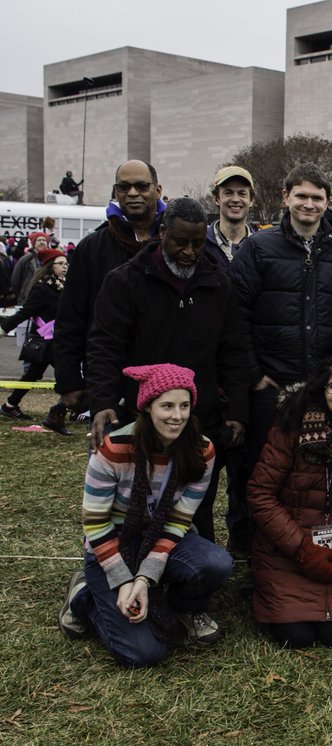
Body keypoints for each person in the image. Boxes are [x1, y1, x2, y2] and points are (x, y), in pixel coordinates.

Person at [85, 198, 248, 543]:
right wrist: (102, 402)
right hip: (138, 415)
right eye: (181, 242)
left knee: (196, 502)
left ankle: (196, 580)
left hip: (197, 418)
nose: (190, 252)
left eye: (198, 243)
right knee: (133, 502)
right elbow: (104, 347)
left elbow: (233, 351)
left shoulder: (219, 285)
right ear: (161, 235)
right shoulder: (124, 281)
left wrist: (237, 410)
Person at [57, 363, 234, 667]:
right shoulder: (113, 449)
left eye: (184, 405)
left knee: (217, 563)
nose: (176, 416)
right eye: (166, 406)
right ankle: (85, 597)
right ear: (147, 407)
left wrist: (144, 577)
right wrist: (123, 580)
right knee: (143, 654)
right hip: (112, 544)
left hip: (162, 537)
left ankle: (183, 607)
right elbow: (96, 523)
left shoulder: (201, 450)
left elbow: (179, 519)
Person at [229, 163, 332, 550]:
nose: (309, 204)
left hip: (318, 386)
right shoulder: (258, 247)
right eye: (302, 196)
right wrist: (254, 373)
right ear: (286, 197)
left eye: (317, 197)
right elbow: (236, 314)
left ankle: (297, 546)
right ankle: (248, 547)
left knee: (308, 473)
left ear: (327, 202)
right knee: (258, 470)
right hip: (271, 383)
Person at [248, 360, 332, 648]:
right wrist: (301, 548)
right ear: (321, 391)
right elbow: (260, 495)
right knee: (298, 637)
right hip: (286, 550)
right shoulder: (291, 428)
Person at [55, 160, 166, 432]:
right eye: (123, 187)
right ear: (115, 193)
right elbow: (71, 319)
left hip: (167, 383)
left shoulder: (176, 244)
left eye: (141, 186)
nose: (132, 193)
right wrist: (69, 381)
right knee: (113, 469)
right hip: (109, 384)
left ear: (158, 190)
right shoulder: (91, 248)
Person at [0, 248, 70, 428]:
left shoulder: (62, 285)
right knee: (69, 375)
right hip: (47, 342)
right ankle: (71, 410)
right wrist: (4, 327)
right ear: (49, 266)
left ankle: (10, 405)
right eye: (60, 264)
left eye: (66, 263)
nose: (65, 266)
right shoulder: (42, 288)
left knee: (32, 374)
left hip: (56, 340)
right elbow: (25, 312)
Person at [205, 166, 256, 269]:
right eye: (228, 193)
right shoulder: (201, 244)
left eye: (242, 193)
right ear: (216, 199)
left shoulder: (262, 246)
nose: (236, 199)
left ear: (251, 201)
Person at [10, 231, 50, 306]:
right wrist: (22, 295)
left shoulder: (50, 260)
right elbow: (15, 282)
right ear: (33, 244)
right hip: (27, 301)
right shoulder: (25, 259)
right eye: (39, 240)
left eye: (44, 240)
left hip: (45, 302)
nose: (42, 242)